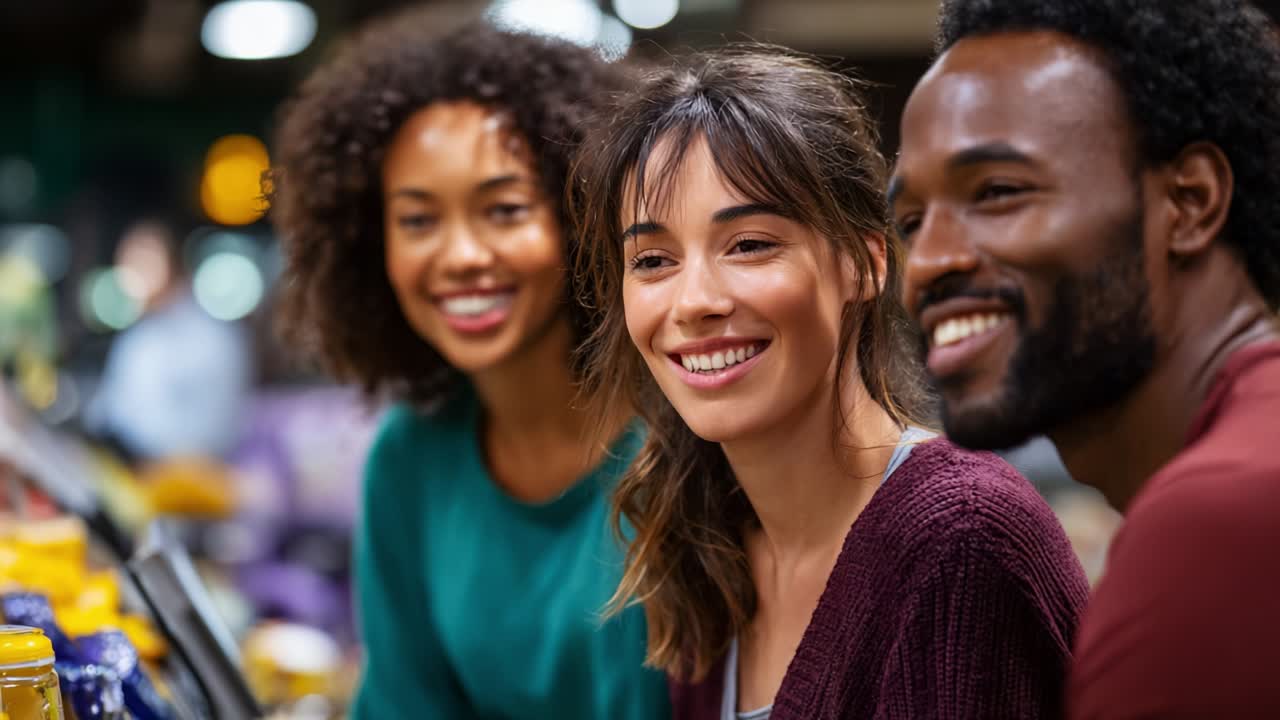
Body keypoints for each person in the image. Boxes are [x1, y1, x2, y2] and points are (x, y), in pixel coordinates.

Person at [570, 46, 1088, 720]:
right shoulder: (707, 546)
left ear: (865, 263)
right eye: (653, 260)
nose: (693, 300)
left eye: (750, 244)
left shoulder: (962, 540)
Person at [270, 12, 669, 719]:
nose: (460, 257)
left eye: (505, 209)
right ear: (371, 243)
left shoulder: (685, 436)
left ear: (580, 215)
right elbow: (402, 702)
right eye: (418, 221)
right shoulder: (411, 456)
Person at [891, 0, 1280, 716]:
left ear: (1188, 202)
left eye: (998, 192)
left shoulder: (1216, 526)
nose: (926, 264)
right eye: (913, 222)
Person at [86, 216, 252, 462]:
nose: (132, 276)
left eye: (143, 262)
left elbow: (216, 426)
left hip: (190, 483)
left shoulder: (211, 337)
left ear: (171, 264)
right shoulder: (139, 335)